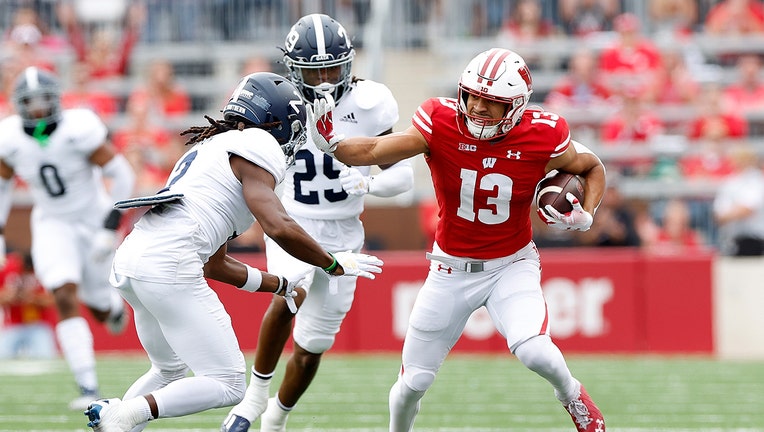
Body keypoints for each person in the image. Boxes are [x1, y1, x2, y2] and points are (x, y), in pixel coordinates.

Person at [307, 47, 607, 431]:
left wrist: (587, 214)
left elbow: (591, 166)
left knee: (535, 351)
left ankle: (573, 398)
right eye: (473, 96)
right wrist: (334, 145)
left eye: (492, 102)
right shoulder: (441, 121)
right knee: (412, 383)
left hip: (510, 264)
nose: (478, 107)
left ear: (515, 107)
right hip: (449, 269)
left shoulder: (542, 135)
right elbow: (376, 148)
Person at [82, 71, 383, 432]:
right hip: (168, 265)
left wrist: (279, 285)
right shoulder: (258, 144)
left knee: (169, 371)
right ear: (277, 121)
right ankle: (123, 414)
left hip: (133, 260)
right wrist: (333, 263)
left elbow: (216, 264)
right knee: (228, 383)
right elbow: (278, 225)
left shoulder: (214, 148)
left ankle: (118, 421)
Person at [221, 14, 414, 432]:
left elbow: (403, 176)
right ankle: (254, 396)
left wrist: (367, 182)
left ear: (348, 63)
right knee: (291, 290)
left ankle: (276, 417)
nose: (325, 81)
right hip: (293, 217)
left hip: (345, 230)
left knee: (312, 348)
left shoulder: (371, 101)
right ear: (294, 68)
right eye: (314, 70)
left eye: (332, 68)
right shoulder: (278, 98)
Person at [0, 66, 135, 410]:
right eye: (30, 103)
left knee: (100, 308)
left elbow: (121, 174)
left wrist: (111, 223)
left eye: (44, 100)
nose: (39, 109)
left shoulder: (79, 128)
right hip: (52, 222)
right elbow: (1, 186)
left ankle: (111, 308)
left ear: (56, 99)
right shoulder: (10, 138)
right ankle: (87, 384)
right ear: (19, 105)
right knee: (62, 292)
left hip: (92, 217)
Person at [0, 251, 57, 359]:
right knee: (2, 360)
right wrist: (9, 296)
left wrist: (33, 299)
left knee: (46, 359)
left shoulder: (43, 272)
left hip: (38, 324)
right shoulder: (8, 269)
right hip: (12, 325)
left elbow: (53, 299)